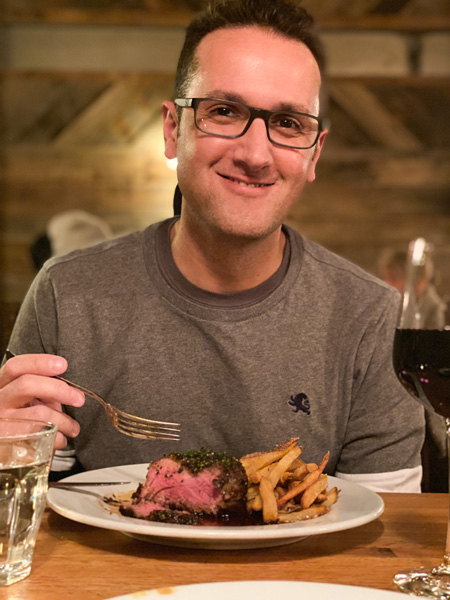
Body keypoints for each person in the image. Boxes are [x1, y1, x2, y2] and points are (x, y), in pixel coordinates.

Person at [0, 0, 424, 491]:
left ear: (314, 154)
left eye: (288, 123)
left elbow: (382, 535)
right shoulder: (66, 293)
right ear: (172, 129)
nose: (255, 154)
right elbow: (31, 508)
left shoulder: (369, 315)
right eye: (224, 111)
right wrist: (7, 456)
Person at [378, 247, 448, 492]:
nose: (387, 284)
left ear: (418, 281)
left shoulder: (435, 314)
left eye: (394, 278)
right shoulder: (406, 314)